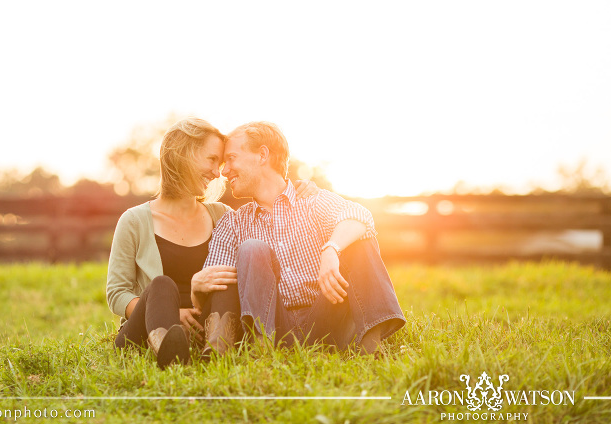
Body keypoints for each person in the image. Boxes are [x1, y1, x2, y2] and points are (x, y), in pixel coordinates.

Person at [106, 118, 317, 368]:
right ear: (184, 154)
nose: (218, 173)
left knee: (224, 277)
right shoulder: (135, 220)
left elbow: (263, 259)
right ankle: (168, 351)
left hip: (204, 327)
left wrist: (296, 190)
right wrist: (170, 313)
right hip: (148, 327)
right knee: (161, 285)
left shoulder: (221, 215)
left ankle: (216, 351)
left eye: (222, 162)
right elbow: (117, 293)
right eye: (212, 160)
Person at [192, 121, 406, 357]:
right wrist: (196, 288)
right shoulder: (233, 222)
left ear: (262, 155)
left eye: (231, 158)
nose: (224, 170)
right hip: (275, 325)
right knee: (252, 248)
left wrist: (331, 249)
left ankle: (370, 346)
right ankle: (261, 350)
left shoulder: (313, 201)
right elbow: (216, 282)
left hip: (327, 320)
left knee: (359, 240)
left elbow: (360, 215)